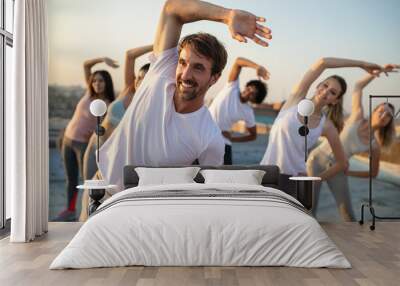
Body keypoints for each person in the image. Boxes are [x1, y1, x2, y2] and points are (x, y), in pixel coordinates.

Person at [97, 0, 272, 191]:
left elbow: (210, 193)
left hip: (140, 210)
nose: (186, 75)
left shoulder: (210, 138)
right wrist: (227, 15)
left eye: (198, 67)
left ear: (214, 78)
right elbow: (172, 8)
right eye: (182, 62)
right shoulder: (162, 70)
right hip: (100, 187)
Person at [260, 57, 383, 180]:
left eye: (332, 92)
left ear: (335, 101)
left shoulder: (326, 126)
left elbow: (342, 163)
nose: (325, 92)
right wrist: (361, 64)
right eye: (325, 85)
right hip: (265, 173)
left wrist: (316, 179)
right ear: (318, 85)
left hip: (294, 181)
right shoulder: (295, 100)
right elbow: (323, 62)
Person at [307, 64, 398, 221]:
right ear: (374, 111)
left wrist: (349, 173)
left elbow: (373, 173)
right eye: (381, 110)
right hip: (316, 160)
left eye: (388, 115)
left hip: (338, 169)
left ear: (389, 122)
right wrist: (379, 71)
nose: (383, 115)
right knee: (309, 212)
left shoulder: (374, 145)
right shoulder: (357, 115)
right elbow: (358, 86)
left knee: (349, 216)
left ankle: (352, 245)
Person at [56, 57, 117, 221]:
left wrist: (97, 132)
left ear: (107, 83)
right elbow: (86, 64)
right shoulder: (88, 94)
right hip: (68, 141)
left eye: (101, 81)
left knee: (86, 181)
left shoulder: (109, 104)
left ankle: (87, 212)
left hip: (84, 145)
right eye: (95, 80)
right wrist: (103, 60)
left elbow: (105, 128)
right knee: (71, 178)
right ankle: (69, 210)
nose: (97, 83)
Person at [83, 45, 153, 181]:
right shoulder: (128, 90)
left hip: (114, 156)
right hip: (96, 145)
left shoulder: (150, 106)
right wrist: (158, 45)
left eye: (144, 79)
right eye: (138, 77)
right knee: (88, 191)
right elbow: (130, 55)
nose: (138, 81)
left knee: (104, 197)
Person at [209, 57, 269, 164]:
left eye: (253, 94)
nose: (249, 92)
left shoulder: (248, 112)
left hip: (223, 142)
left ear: (255, 100)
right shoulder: (232, 87)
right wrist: (257, 67)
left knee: (225, 177)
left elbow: (253, 136)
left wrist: (232, 138)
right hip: (203, 134)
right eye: (250, 88)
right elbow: (238, 61)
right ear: (247, 86)